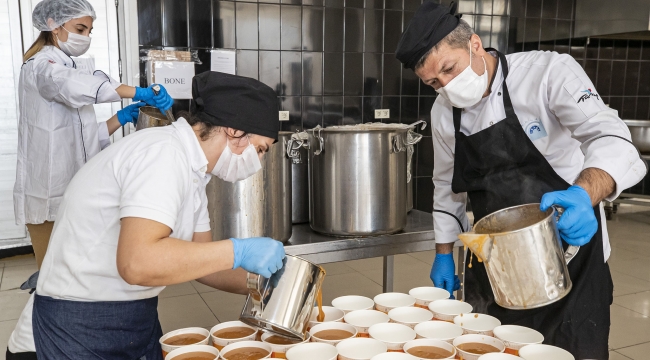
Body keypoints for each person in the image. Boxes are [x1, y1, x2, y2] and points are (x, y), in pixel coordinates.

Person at [396, 2, 647, 358]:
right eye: (434, 83)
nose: (447, 88)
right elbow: (445, 188)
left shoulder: (547, 73)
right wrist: (443, 255)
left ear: (475, 45)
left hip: (568, 257)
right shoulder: (443, 113)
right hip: (495, 269)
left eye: (449, 70)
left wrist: (582, 194)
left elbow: (610, 138)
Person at [29, 70, 285, 359]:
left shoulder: (194, 171)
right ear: (235, 131)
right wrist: (238, 250)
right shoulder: (162, 154)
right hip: (81, 319)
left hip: (135, 312)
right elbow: (137, 263)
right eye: (261, 149)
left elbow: (204, 262)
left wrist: (266, 283)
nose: (259, 162)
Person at [8, 1, 174, 358]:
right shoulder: (43, 66)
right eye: (80, 29)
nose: (85, 38)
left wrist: (123, 117)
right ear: (54, 25)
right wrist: (138, 91)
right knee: (55, 282)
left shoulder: (66, 65)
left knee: (75, 278)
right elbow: (74, 87)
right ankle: (38, 347)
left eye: (89, 31)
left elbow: (84, 135)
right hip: (50, 195)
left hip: (73, 191)